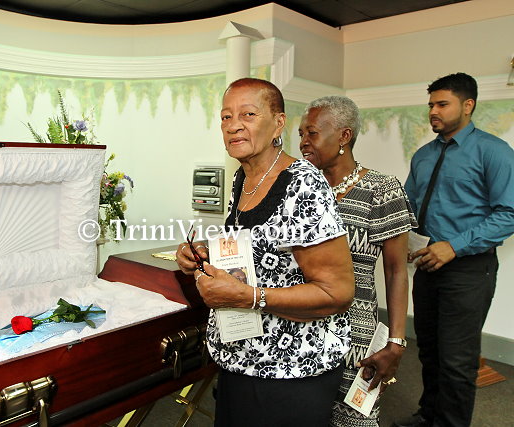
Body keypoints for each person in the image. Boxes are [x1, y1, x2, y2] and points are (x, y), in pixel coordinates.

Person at [176, 77, 355, 426]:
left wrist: (249, 297)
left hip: (291, 370)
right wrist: (204, 252)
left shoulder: (303, 184)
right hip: (241, 358)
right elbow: (261, 246)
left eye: (248, 114)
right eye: (226, 117)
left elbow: (337, 292)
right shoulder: (243, 178)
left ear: (278, 123)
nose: (233, 125)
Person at [397, 72, 514, 427]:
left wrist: (454, 247)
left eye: (442, 104)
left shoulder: (494, 151)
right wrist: (404, 239)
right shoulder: (423, 155)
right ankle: (429, 416)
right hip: (426, 266)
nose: (433, 111)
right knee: (429, 350)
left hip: (468, 270)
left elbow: (509, 213)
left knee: (457, 360)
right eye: (431, 104)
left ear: (468, 105)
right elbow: (409, 205)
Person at [299, 95, 417, 427]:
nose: (303, 141)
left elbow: (395, 270)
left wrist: (396, 342)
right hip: (299, 326)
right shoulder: (299, 188)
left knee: (351, 420)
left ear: (344, 136)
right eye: (301, 134)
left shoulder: (382, 190)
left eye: (312, 133)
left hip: (355, 333)